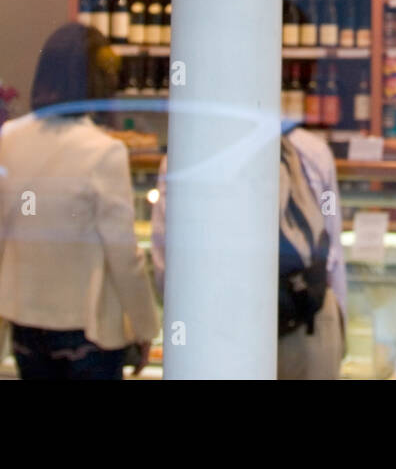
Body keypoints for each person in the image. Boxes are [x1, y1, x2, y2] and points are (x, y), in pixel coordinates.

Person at [0, 24, 159, 379]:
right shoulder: (104, 150)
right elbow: (123, 254)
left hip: (25, 323)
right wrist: (146, 326)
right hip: (86, 329)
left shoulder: (10, 137)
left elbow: (3, 235)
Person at [149, 125, 347, 379]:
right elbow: (331, 247)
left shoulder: (186, 153)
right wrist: (338, 324)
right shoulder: (311, 149)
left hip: (224, 332)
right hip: (307, 323)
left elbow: (167, 255)